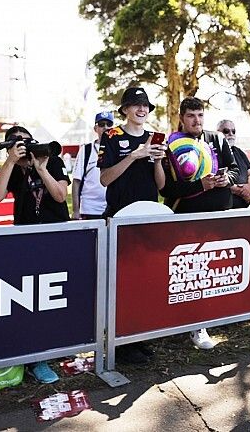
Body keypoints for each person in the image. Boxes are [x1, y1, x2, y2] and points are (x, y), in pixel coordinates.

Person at [0, 125, 70, 383]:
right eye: (17, 143)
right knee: (31, 298)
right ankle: (37, 358)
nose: (24, 146)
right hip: (26, 241)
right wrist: (11, 161)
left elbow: (59, 196)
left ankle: (56, 346)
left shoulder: (52, 161)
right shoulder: (12, 167)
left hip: (55, 238)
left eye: (27, 141)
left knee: (56, 296)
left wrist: (42, 168)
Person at [161, 96, 239, 350]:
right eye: (191, 115)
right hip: (187, 219)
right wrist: (200, 185)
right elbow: (167, 189)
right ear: (182, 118)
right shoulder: (170, 145)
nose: (197, 120)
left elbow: (235, 168)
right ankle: (191, 324)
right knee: (191, 273)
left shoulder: (216, 139)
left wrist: (225, 178)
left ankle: (208, 319)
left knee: (214, 271)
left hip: (218, 218)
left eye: (200, 115)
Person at [98, 88, 166, 363]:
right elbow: (104, 179)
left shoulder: (155, 138)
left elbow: (161, 185)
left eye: (145, 106)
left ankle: (139, 337)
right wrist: (133, 156)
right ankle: (120, 343)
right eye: (136, 105)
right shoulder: (112, 137)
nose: (142, 110)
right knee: (119, 283)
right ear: (125, 108)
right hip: (120, 217)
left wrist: (158, 161)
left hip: (149, 216)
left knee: (145, 279)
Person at [71, 111, 115, 220]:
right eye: (101, 124)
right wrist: (76, 211)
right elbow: (76, 181)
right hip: (89, 208)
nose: (105, 127)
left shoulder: (117, 148)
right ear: (95, 128)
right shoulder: (86, 150)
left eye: (109, 124)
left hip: (113, 208)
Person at [217, 119, 250, 209]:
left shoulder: (239, 152)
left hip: (243, 208)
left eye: (233, 131)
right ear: (218, 133)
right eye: (226, 131)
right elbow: (217, 180)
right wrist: (242, 192)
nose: (231, 134)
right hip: (224, 208)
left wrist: (249, 187)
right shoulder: (214, 152)